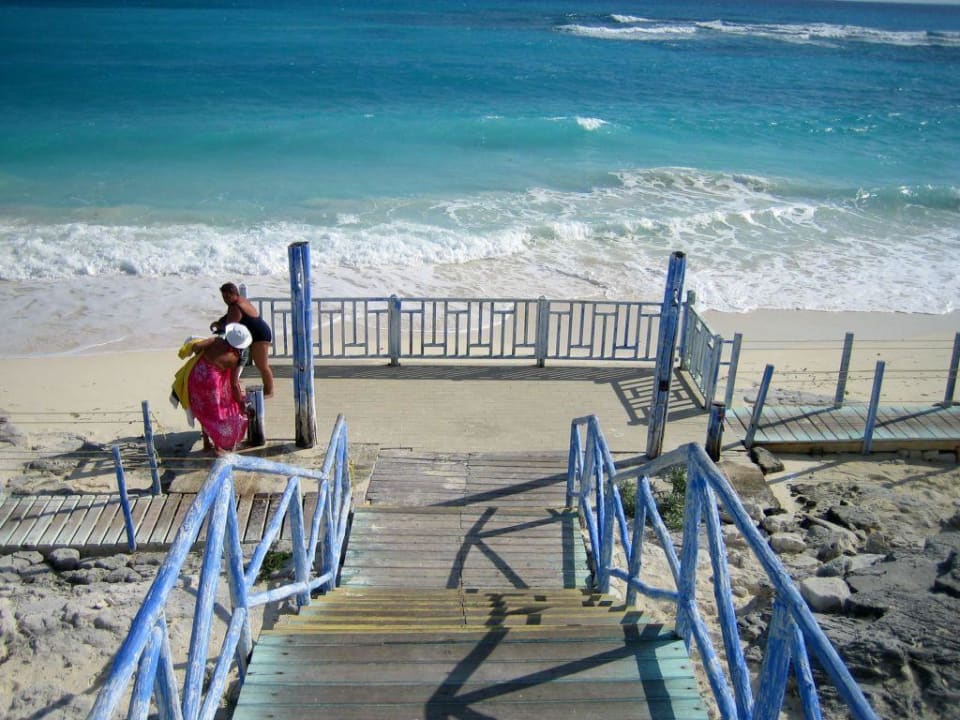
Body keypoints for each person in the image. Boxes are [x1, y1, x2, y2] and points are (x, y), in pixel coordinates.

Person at [172, 323, 252, 456]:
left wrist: (204, 352)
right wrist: (240, 403)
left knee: (203, 411)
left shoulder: (216, 340)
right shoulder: (234, 358)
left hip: (195, 376)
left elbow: (197, 346)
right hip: (211, 384)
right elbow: (234, 384)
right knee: (215, 413)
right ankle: (217, 446)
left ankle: (206, 443)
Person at [210, 282, 275, 397]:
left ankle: (269, 391)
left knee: (262, 365)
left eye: (228, 297)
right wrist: (219, 322)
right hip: (253, 335)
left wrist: (220, 327)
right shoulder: (239, 301)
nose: (226, 300)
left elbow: (230, 325)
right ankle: (234, 379)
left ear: (235, 294)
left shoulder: (237, 306)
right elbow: (227, 317)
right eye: (223, 297)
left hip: (260, 336)